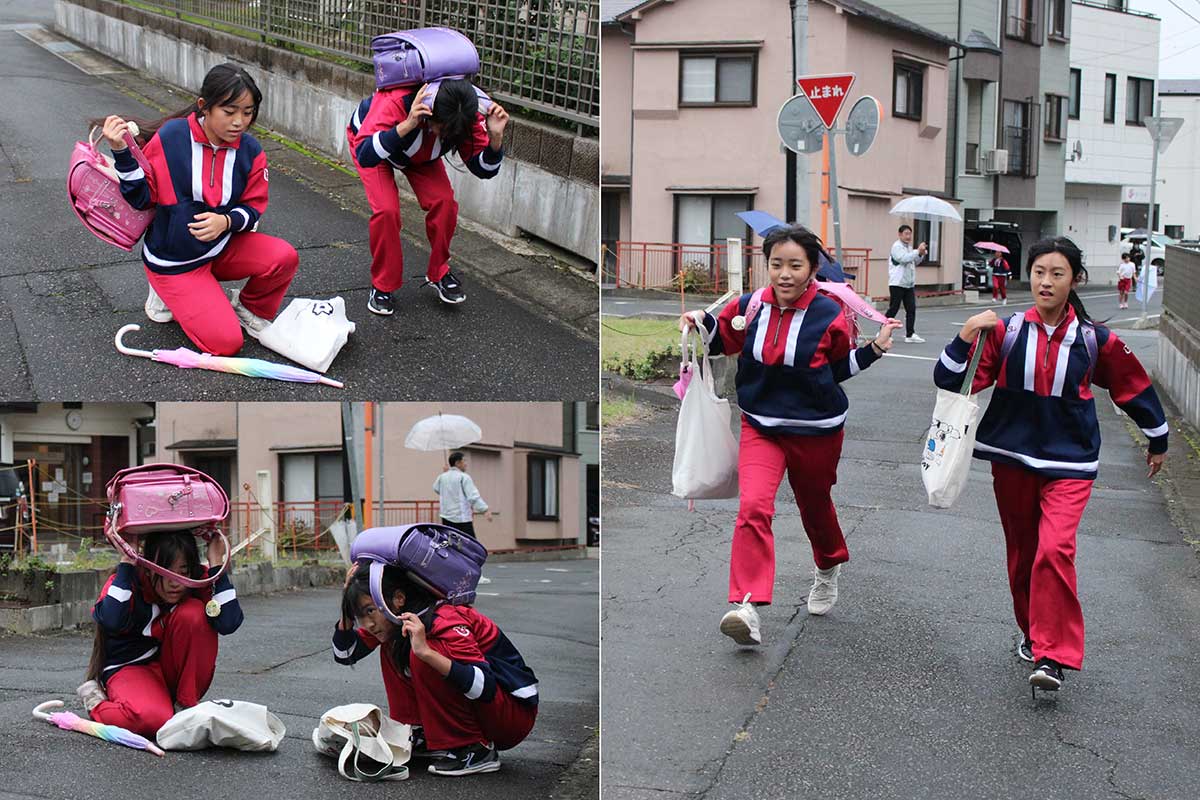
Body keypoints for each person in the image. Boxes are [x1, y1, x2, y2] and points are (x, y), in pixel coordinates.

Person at [933, 236, 1168, 695]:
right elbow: (950, 379)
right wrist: (964, 338)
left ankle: (1052, 654)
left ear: (1073, 280)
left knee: (1054, 549)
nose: (1046, 281)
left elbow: (1132, 384)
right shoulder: (1005, 332)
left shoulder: (1095, 340)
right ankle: (1031, 630)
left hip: (1071, 462)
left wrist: (1158, 437)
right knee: (1023, 555)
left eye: (1057, 274)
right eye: (1039, 272)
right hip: (1012, 458)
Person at [680, 224, 902, 646]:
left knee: (814, 506)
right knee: (754, 507)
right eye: (776, 264)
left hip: (816, 430)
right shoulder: (752, 306)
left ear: (812, 269)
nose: (784, 274)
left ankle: (828, 565)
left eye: (794, 265)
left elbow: (837, 370)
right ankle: (747, 605)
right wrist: (698, 322)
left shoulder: (830, 313)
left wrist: (874, 351)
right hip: (760, 424)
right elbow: (722, 339)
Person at [99, 63, 299, 356]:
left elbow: (253, 208)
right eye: (229, 112)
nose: (239, 122)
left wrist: (226, 221)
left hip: (220, 248)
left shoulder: (251, 151)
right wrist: (121, 152)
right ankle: (164, 292)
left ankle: (248, 308)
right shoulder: (173, 138)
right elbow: (142, 198)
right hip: (175, 263)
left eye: (248, 112)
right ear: (205, 106)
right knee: (227, 343)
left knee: (284, 257)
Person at [334, 564, 538, 776]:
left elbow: (484, 687)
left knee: (422, 653)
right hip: (492, 707)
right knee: (394, 644)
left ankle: (474, 749)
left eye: (369, 611)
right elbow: (345, 654)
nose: (367, 624)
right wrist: (346, 607)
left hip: (513, 713)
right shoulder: (394, 620)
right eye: (360, 616)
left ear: (398, 599)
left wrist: (427, 654)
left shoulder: (444, 617)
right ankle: (421, 733)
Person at [347, 78, 510, 314]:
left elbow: (483, 170)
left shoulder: (464, 113)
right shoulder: (396, 100)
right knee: (386, 211)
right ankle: (382, 285)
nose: (440, 133)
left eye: (446, 132)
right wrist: (409, 123)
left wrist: (496, 138)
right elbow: (365, 155)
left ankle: (439, 272)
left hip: (420, 154)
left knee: (445, 203)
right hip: (376, 146)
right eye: (439, 127)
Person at [75, 530, 243, 738]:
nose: (175, 582)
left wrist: (217, 564)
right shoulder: (129, 579)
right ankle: (96, 701)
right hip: (132, 666)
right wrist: (128, 561)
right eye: (164, 572)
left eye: (183, 571)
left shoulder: (195, 580)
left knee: (194, 614)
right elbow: (110, 620)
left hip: (171, 669)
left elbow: (229, 622)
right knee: (152, 721)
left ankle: (186, 706)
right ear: (148, 566)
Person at [433, 451, 492, 538]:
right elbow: (473, 496)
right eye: (464, 461)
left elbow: (436, 488)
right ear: (457, 463)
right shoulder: (464, 477)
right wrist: (485, 509)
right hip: (462, 519)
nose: (466, 464)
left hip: (446, 517)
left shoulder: (442, 477)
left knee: (451, 545)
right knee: (471, 547)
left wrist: (444, 473)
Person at [886, 224, 928, 343]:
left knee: (911, 309)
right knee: (893, 308)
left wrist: (921, 254)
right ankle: (883, 330)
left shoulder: (909, 248)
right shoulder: (896, 246)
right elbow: (903, 259)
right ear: (900, 234)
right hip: (897, 283)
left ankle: (910, 334)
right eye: (906, 234)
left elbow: (915, 261)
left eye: (910, 234)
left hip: (908, 284)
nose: (908, 236)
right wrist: (917, 251)